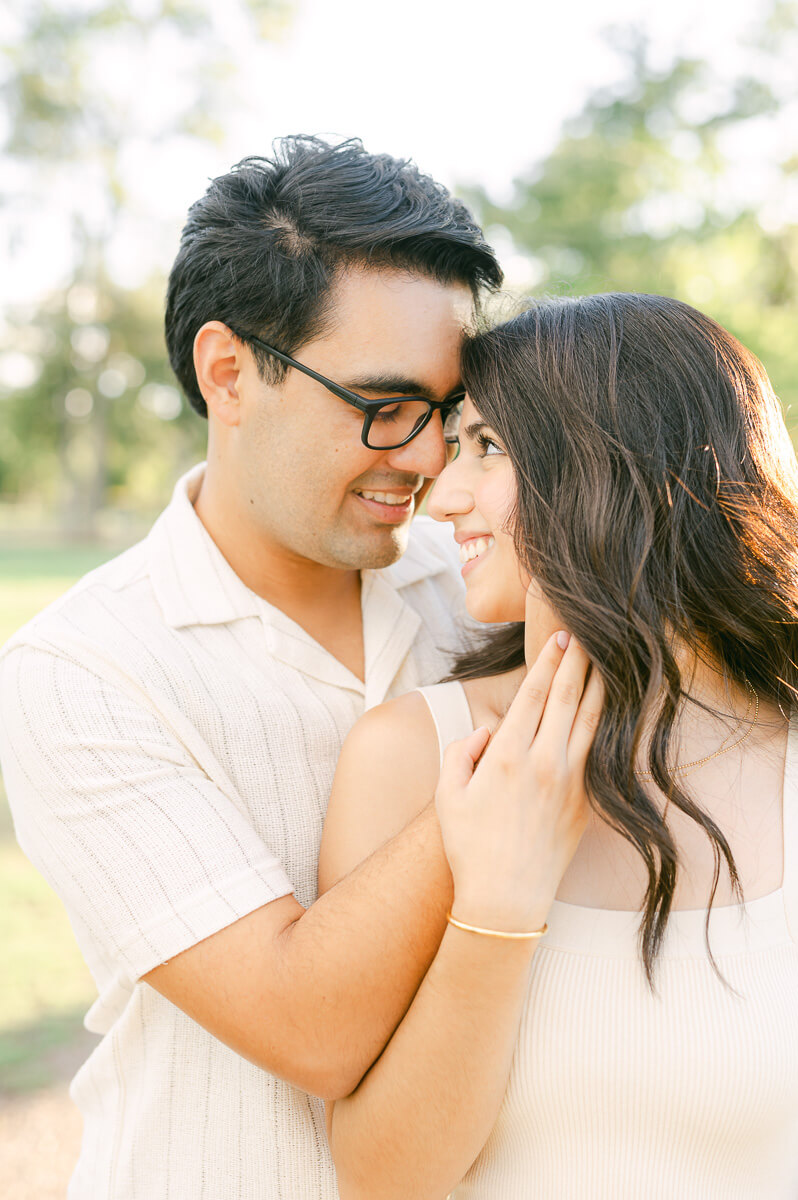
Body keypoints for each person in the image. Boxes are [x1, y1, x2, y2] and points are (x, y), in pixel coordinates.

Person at [0, 135, 516, 1199]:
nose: (425, 459)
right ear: (229, 373)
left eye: (448, 413)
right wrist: (535, 731)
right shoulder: (83, 671)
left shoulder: (484, 584)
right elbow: (310, 1029)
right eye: (383, 405)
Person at [319, 293, 798, 1200]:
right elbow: (382, 1180)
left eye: (488, 447)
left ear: (628, 467)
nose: (442, 494)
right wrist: (498, 902)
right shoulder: (416, 753)